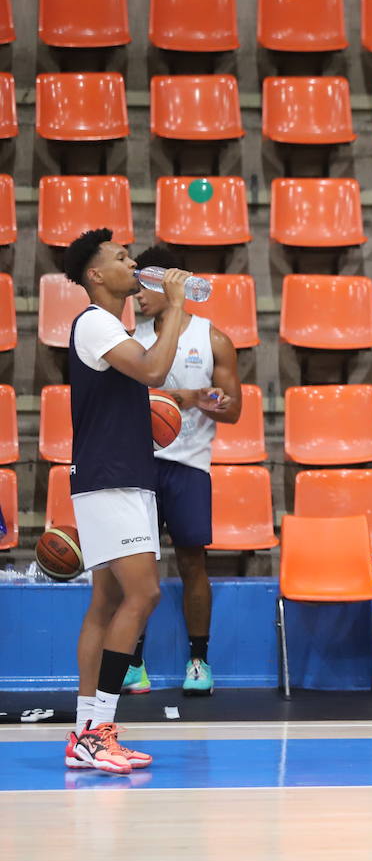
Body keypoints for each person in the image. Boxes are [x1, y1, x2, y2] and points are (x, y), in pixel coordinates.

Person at [60, 229, 192, 774]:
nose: (132, 262)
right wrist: (178, 307)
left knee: (107, 606)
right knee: (144, 595)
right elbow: (155, 370)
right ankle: (101, 732)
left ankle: (84, 732)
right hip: (111, 478)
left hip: (117, 476)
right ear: (96, 276)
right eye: (120, 258)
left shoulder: (112, 326)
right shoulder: (94, 322)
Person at [119, 246, 242, 697]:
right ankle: (134, 663)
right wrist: (186, 398)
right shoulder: (131, 339)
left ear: (170, 283)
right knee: (138, 568)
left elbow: (234, 412)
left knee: (193, 563)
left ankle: (198, 660)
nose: (136, 294)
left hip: (190, 466)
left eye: (144, 285)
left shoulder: (215, 340)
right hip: (140, 465)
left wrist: (220, 402)